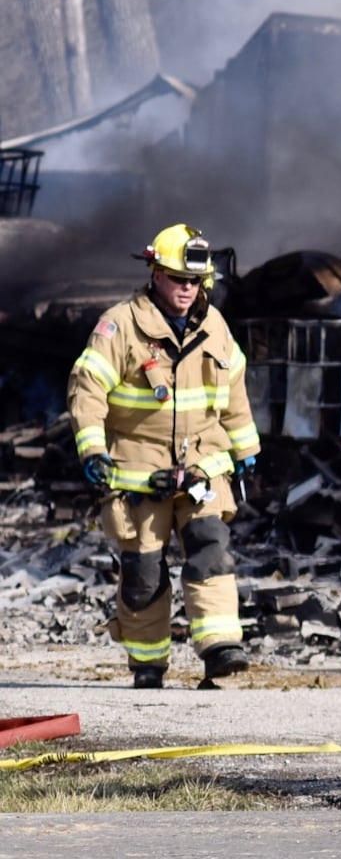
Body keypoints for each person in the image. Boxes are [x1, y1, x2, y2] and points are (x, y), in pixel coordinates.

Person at [67, 223, 260, 689]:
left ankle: (219, 652)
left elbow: (233, 392)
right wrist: (92, 449)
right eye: (178, 279)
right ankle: (148, 665)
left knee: (211, 553)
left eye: (195, 282)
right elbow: (86, 388)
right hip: (137, 477)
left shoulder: (214, 325)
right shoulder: (121, 326)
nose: (187, 290)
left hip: (202, 469)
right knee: (143, 575)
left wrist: (247, 450)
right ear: (155, 273)